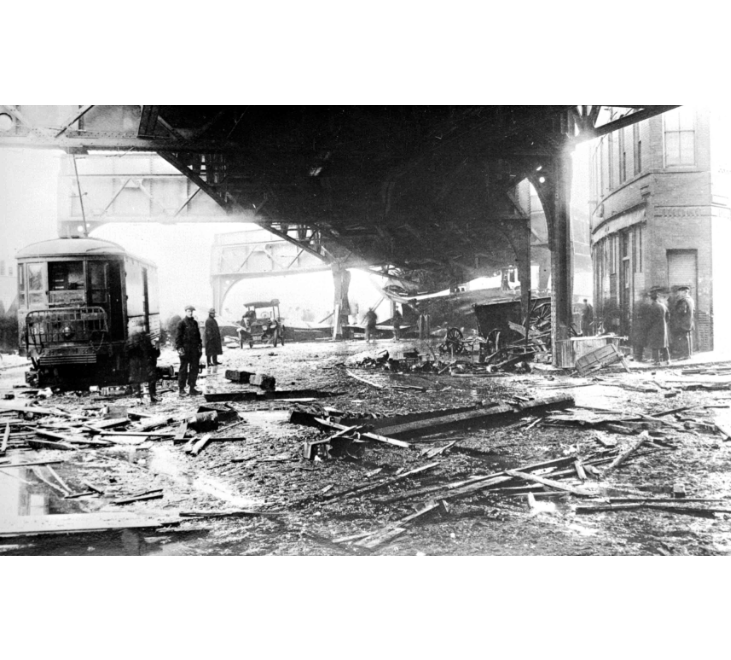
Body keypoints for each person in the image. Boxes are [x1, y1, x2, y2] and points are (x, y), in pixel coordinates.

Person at [126, 319, 160, 404]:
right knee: (135, 380)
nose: (141, 328)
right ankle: (138, 398)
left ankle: (153, 396)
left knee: (152, 378)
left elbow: (154, 351)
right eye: (139, 326)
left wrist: (156, 349)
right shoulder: (131, 339)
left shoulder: (147, 337)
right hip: (137, 363)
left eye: (142, 326)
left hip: (146, 362)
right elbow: (127, 352)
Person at [175, 305, 203, 397]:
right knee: (183, 369)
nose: (190, 313)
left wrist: (200, 347)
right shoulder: (182, 323)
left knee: (194, 368)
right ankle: (181, 389)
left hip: (194, 350)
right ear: (185, 312)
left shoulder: (194, 323)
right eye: (188, 311)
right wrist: (180, 349)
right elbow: (178, 338)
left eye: (191, 311)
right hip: (185, 350)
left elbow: (198, 337)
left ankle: (192, 388)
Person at [670, 286, 695, 360]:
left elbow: (682, 311)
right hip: (689, 322)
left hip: (683, 322)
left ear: (685, 292)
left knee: (684, 339)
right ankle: (689, 354)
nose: (679, 294)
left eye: (680, 292)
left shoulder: (683, 300)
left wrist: (674, 313)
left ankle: (685, 355)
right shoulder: (690, 299)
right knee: (688, 338)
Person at [646, 290, 670, 366]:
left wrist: (648, 327)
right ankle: (667, 360)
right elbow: (668, 317)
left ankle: (657, 361)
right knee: (664, 345)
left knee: (655, 345)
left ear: (651, 299)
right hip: (663, 328)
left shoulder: (652, 307)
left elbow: (649, 320)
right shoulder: (663, 306)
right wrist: (664, 323)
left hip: (654, 328)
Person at [631, 293, 651, 363]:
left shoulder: (637, 303)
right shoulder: (646, 304)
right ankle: (640, 357)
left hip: (638, 325)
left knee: (639, 341)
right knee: (642, 341)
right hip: (643, 325)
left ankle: (638, 356)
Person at [205, 308, 223, 372]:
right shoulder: (208, 320)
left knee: (215, 350)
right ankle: (208, 362)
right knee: (209, 350)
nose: (213, 314)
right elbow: (208, 330)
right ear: (210, 314)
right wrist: (210, 337)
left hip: (215, 338)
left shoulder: (214, 320)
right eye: (212, 313)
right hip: (210, 338)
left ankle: (215, 361)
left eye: (214, 313)